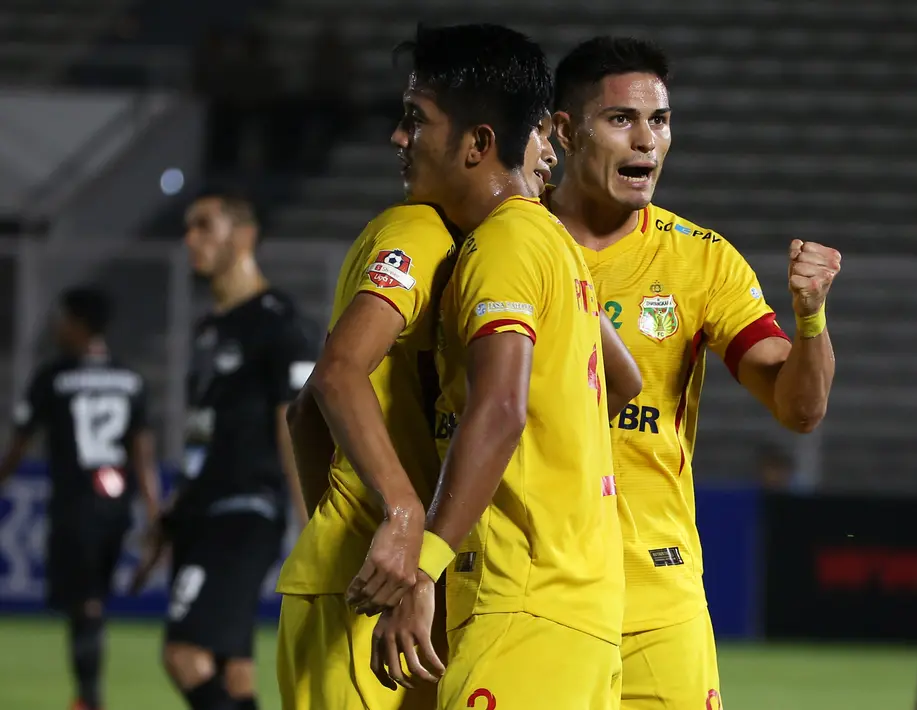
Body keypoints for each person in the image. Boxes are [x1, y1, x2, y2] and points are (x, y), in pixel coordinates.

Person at [546, 36, 839, 709]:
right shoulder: (508, 245)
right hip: (532, 587)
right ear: (565, 131)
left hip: (656, 593)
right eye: (621, 120)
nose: (646, 141)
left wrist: (811, 319)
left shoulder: (700, 261)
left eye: (660, 120)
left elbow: (798, 409)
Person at [354, 23, 634, 710]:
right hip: (584, 609)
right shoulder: (553, 241)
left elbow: (501, 410)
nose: (399, 138)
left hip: (523, 604)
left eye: (416, 121)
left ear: (478, 144)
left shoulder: (500, 245)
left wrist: (421, 568)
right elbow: (622, 380)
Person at [132, 193, 317, 710]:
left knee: (184, 652)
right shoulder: (211, 327)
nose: (190, 238)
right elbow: (202, 434)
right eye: (189, 228)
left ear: (243, 237)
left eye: (203, 227)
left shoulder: (278, 323)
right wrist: (173, 514)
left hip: (243, 512)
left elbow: (295, 424)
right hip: (202, 511)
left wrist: (309, 525)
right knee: (234, 670)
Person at [0, 287, 159, 710]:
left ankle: (89, 699)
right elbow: (142, 452)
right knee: (91, 601)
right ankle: (88, 695)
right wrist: (152, 510)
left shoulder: (53, 377)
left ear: (80, 324)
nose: (57, 326)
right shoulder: (131, 378)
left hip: (75, 507)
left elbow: (19, 443)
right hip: (117, 509)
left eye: (63, 318)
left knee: (83, 604)